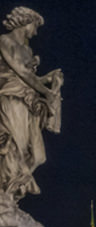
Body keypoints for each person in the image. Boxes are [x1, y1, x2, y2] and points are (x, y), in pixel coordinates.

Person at [0, 7, 63, 207]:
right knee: (15, 149)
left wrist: (48, 79)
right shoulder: (5, 41)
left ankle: (11, 194)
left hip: (28, 102)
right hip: (11, 98)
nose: (35, 32)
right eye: (34, 26)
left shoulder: (26, 50)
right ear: (25, 21)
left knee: (38, 156)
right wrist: (46, 92)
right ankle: (5, 196)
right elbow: (21, 72)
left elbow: (30, 78)